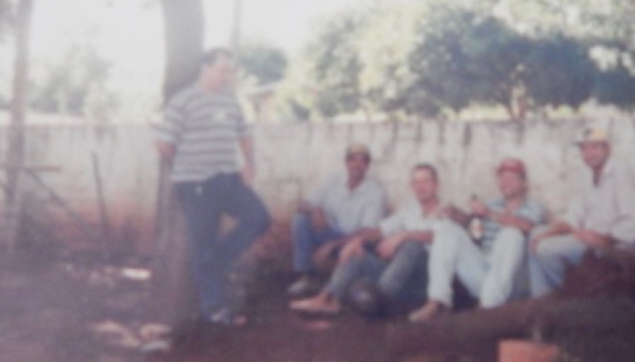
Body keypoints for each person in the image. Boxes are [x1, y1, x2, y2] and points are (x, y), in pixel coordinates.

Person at [155, 47, 271, 326]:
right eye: (223, 70)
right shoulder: (183, 101)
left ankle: (217, 262)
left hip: (227, 178)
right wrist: (189, 167)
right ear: (205, 68)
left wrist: (248, 164)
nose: (228, 76)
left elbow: (244, 133)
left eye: (231, 71)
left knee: (259, 218)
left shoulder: (231, 100)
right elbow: (164, 144)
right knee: (202, 244)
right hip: (196, 184)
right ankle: (214, 309)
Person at [290, 163, 442, 317]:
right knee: (356, 253)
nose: (421, 186)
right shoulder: (409, 209)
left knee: (413, 246)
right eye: (416, 182)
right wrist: (357, 241)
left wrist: (403, 235)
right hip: (397, 280)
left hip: (423, 284)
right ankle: (328, 299)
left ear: (436, 184)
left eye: (426, 181)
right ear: (411, 186)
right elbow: (379, 229)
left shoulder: (447, 211)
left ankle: (381, 299)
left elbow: (438, 235)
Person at [408, 157, 544, 322]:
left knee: (511, 234)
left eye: (511, 178)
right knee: (446, 229)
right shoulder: (492, 204)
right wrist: (456, 215)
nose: (505, 182)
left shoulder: (533, 206)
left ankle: (486, 310)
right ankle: (437, 302)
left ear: (523, 183)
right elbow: (471, 226)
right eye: (502, 178)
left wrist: (488, 213)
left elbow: (526, 226)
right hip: (484, 274)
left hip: (513, 281)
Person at [528, 126, 635, 297]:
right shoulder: (587, 174)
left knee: (545, 249)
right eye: (584, 148)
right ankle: (541, 296)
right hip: (588, 239)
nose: (589, 153)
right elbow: (575, 215)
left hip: (614, 245)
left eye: (594, 147)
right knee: (535, 235)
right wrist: (548, 233)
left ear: (607, 148)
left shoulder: (621, 172)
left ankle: (561, 297)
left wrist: (604, 238)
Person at [286, 143, 386, 297]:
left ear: (367, 165)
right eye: (352, 159)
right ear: (346, 162)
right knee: (301, 220)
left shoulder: (375, 192)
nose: (357, 165)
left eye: (362, 161)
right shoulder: (333, 179)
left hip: (354, 241)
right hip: (330, 233)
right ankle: (308, 277)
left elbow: (367, 232)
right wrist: (314, 210)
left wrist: (332, 244)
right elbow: (301, 203)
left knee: (359, 252)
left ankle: (336, 289)